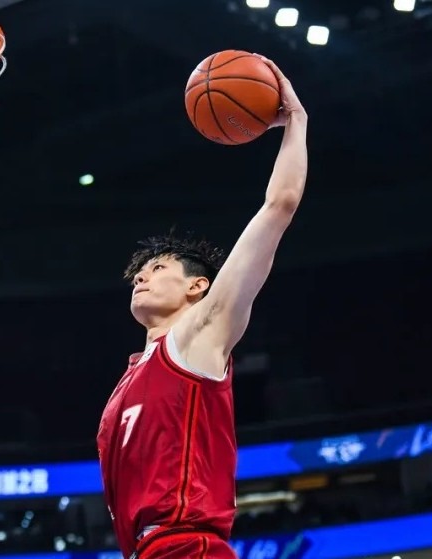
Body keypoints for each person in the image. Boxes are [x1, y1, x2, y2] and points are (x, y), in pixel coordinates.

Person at [96, 56, 308, 559]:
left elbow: (278, 207)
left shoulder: (199, 336)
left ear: (198, 287)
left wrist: (296, 122)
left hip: (188, 546)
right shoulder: (129, 377)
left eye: (158, 268)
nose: (142, 276)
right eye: (139, 273)